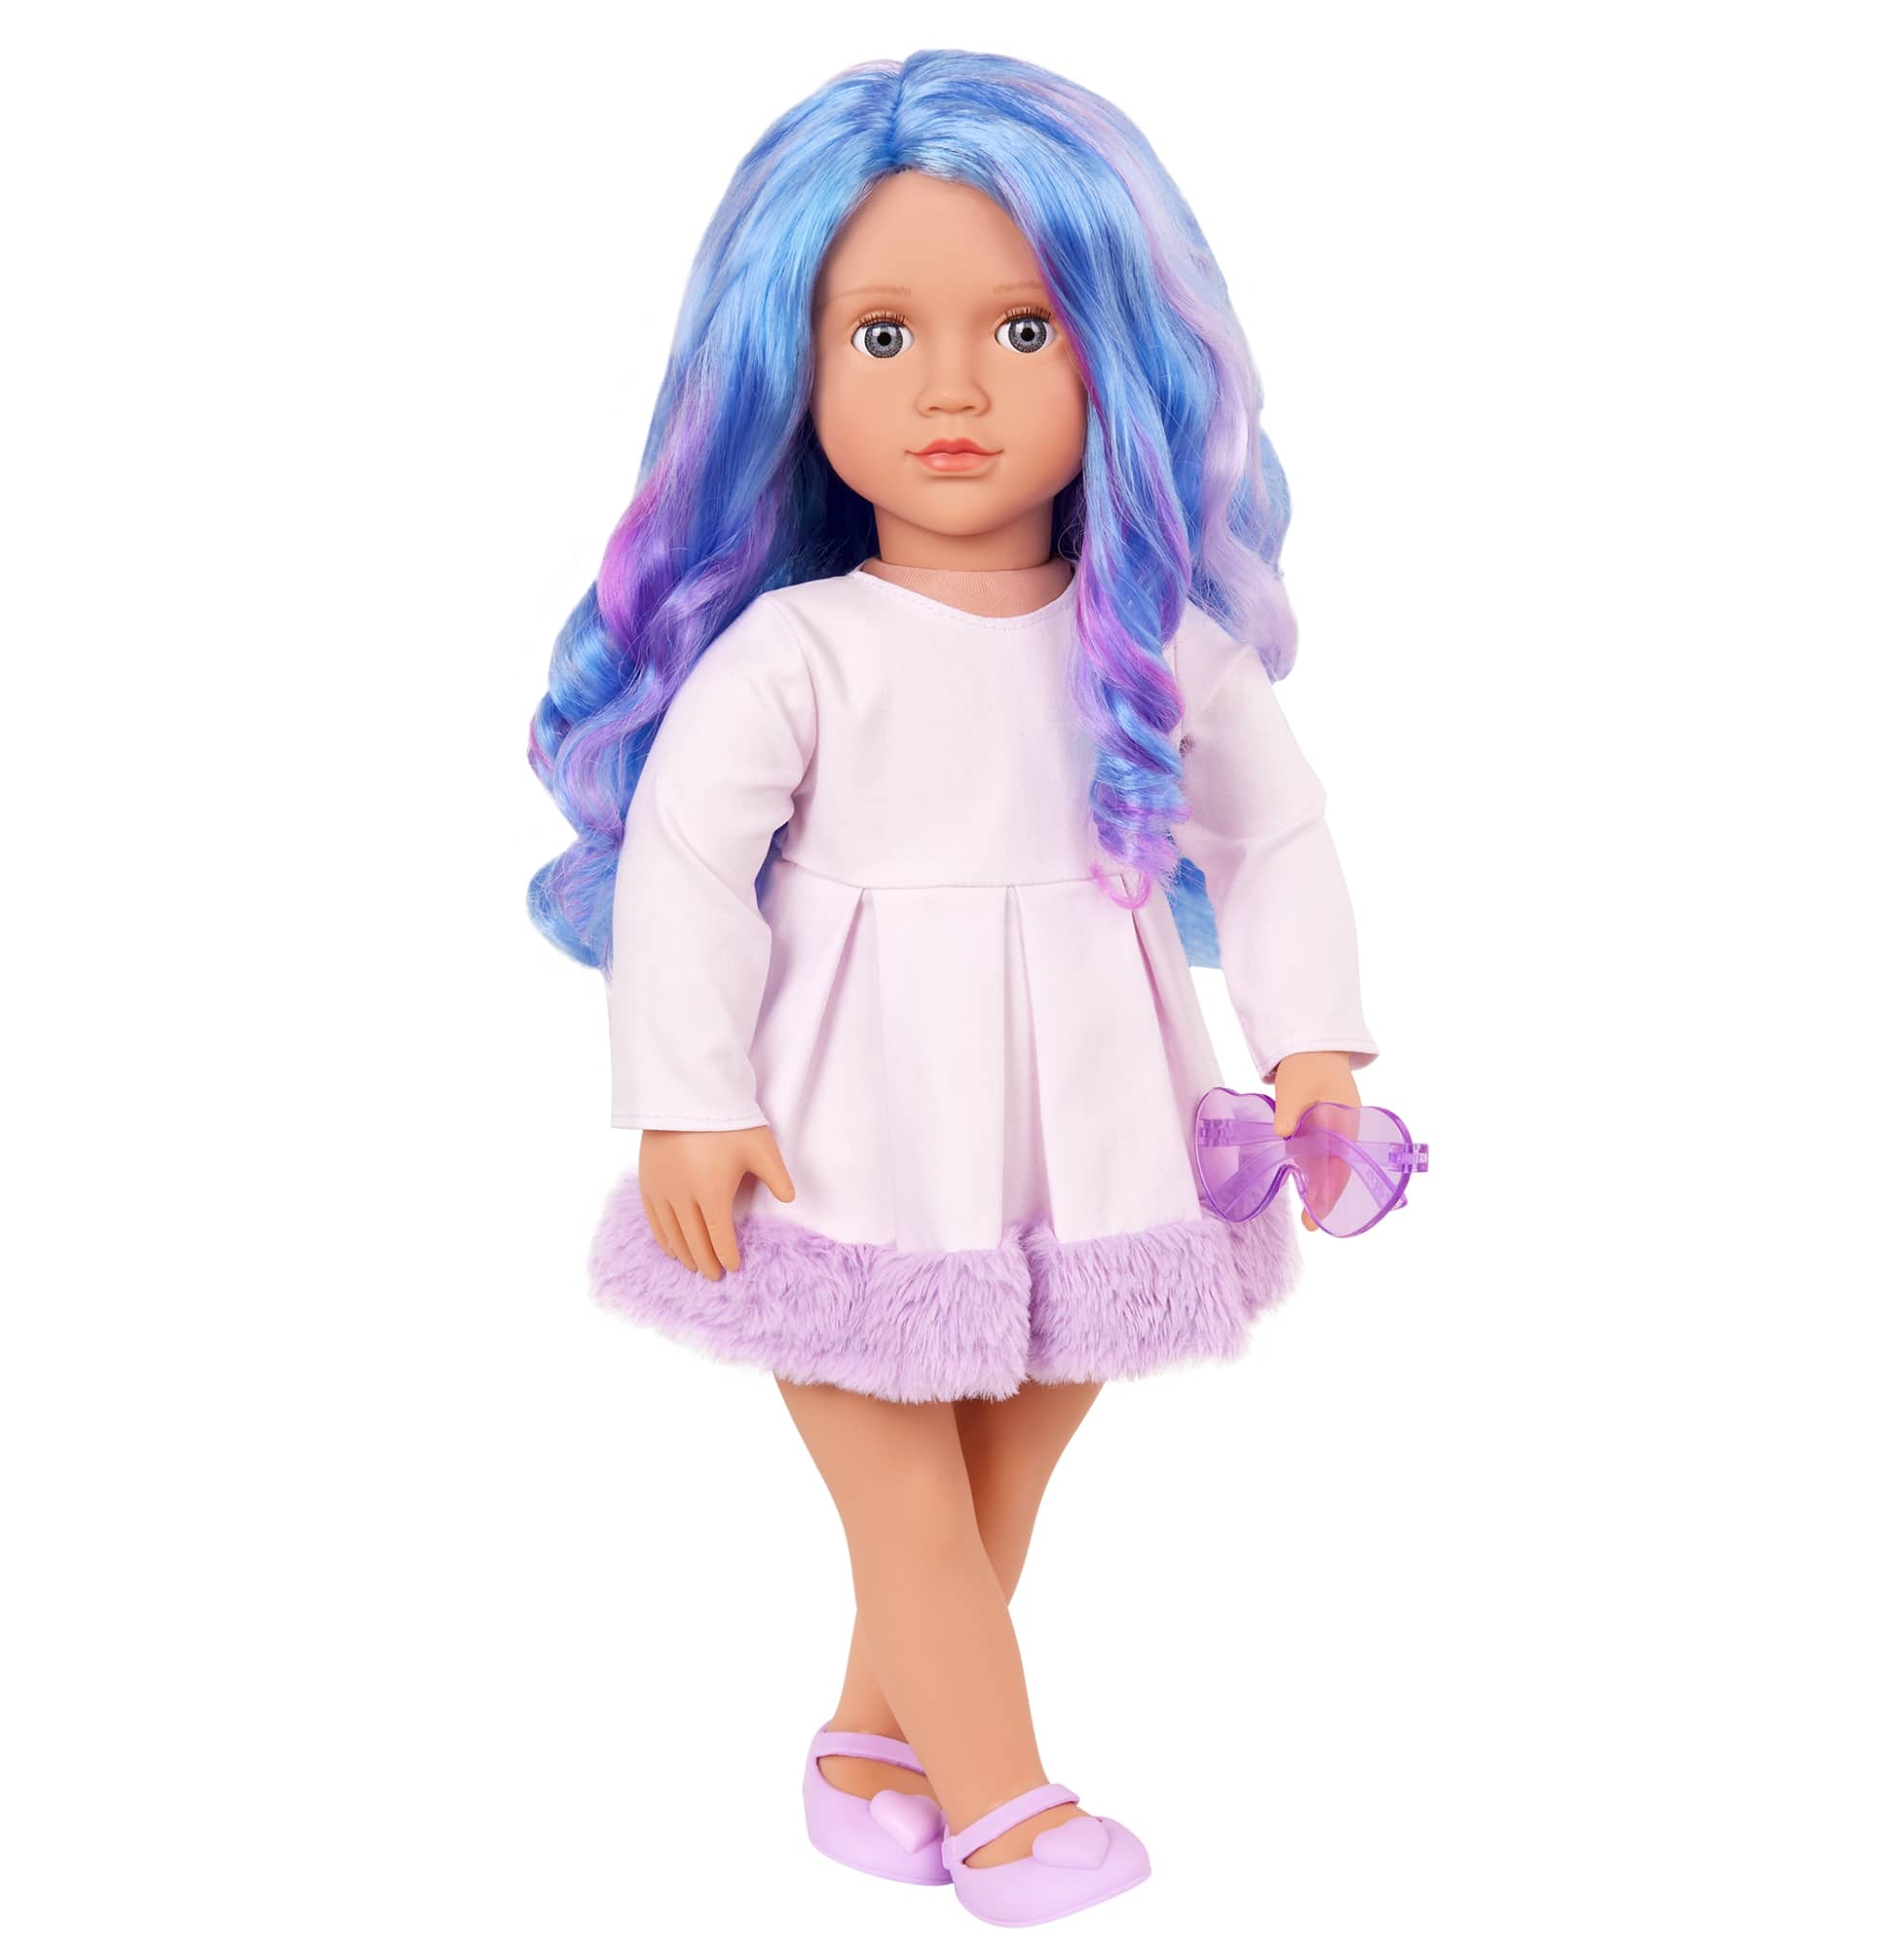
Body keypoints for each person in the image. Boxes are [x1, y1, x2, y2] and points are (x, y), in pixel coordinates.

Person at [528, 50, 1378, 1929]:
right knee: (900, 1479)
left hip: (1095, 1116)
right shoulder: (795, 649)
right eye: (884, 335)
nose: (954, 389)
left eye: (1021, 327)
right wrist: (684, 1097)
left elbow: (1274, 836)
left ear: (1115, 361)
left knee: (1009, 1445)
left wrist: (1310, 1045)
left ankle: (867, 1746)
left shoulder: (1153, 643)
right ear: (792, 368)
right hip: (835, 1125)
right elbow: (683, 866)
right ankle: (1001, 1807)